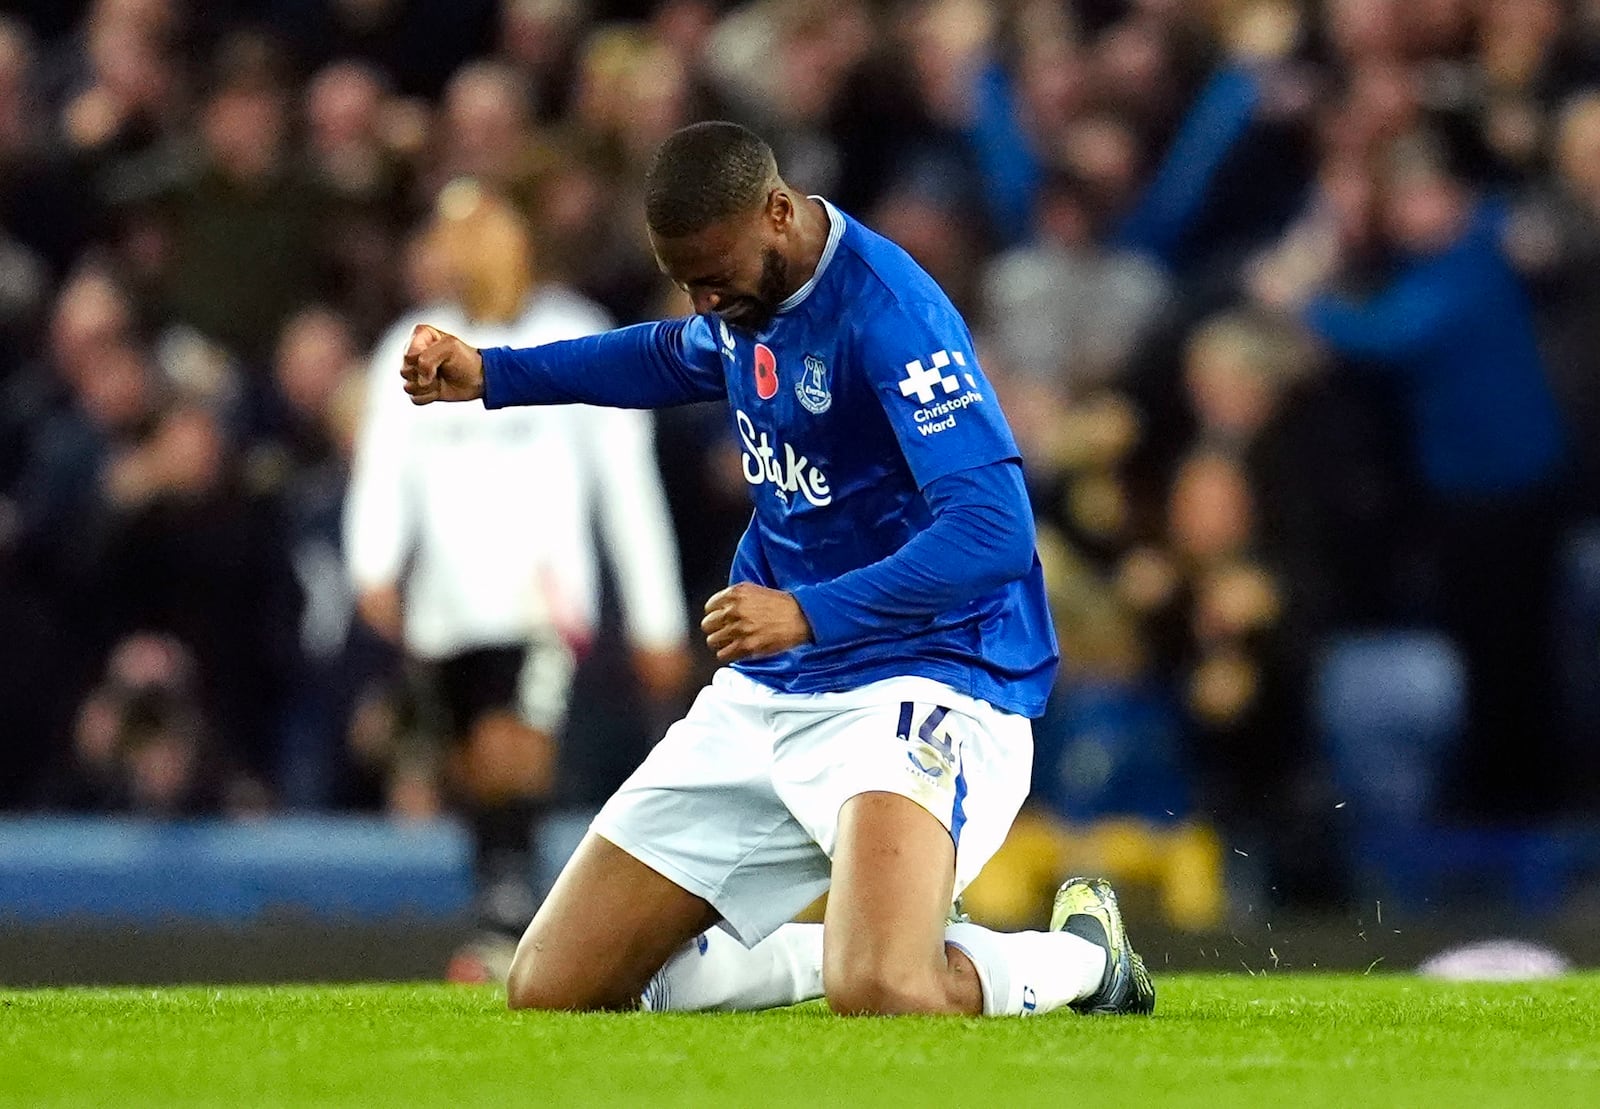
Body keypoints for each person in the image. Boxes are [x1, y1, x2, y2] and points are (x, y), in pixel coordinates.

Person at [398, 121, 1154, 1017]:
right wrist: (492, 372)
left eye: (716, 276)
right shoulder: (739, 299)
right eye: (689, 282)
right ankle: (843, 947)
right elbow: (664, 355)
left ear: (779, 211)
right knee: (555, 987)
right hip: (770, 689)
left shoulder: (889, 315)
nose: (706, 300)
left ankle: (1080, 955)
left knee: (885, 989)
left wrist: (809, 613)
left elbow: (993, 532)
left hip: (925, 676)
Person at [346, 179, 690, 981]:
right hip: (446, 607)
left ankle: (504, 925)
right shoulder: (411, 342)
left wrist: (656, 618)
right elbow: (384, 468)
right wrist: (374, 563)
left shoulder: (574, 338)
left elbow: (626, 484)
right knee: (473, 763)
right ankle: (501, 903)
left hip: (543, 600)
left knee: (514, 747)